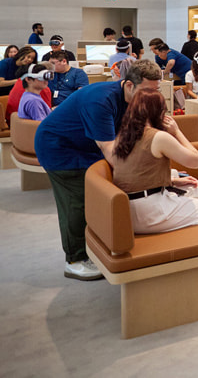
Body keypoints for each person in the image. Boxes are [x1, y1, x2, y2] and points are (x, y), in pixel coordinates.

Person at [35, 59, 162, 280]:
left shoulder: (133, 98)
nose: (153, 95)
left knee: (97, 197)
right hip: (59, 148)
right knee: (77, 201)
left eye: (156, 90)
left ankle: (95, 247)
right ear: (129, 85)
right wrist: (141, 173)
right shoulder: (101, 101)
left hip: (87, 146)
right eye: (148, 90)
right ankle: (74, 260)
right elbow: (109, 149)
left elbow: (142, 134)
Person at [108, 90, 198, 250]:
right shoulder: (158, 137)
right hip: (151, 212)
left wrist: (172, 180)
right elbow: (196, 161)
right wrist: (176, 131)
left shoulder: (122, 137)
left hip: (132, 210)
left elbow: (134, 173)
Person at [5, 51, 50, 124]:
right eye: (41, 77)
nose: (46, 81)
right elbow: (42, 126)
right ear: (28, 79)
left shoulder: (28, 96)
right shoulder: (34, 101)